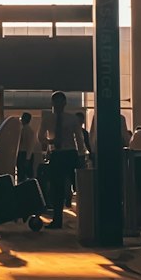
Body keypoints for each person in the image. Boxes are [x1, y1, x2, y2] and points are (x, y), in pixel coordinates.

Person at [42, 91, 89, 229]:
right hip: (58, 154)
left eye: (60, 102)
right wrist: (51, 141)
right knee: (57, 189)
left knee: (77, 187)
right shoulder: (48, 119)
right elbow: (40, 136)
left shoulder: (71, 119)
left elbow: (79, 139)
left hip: (69, 154)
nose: (58, 105)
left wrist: (81, 155)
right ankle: (58, 220)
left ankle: (84, 218)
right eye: (56, 102)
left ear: (64, 103)